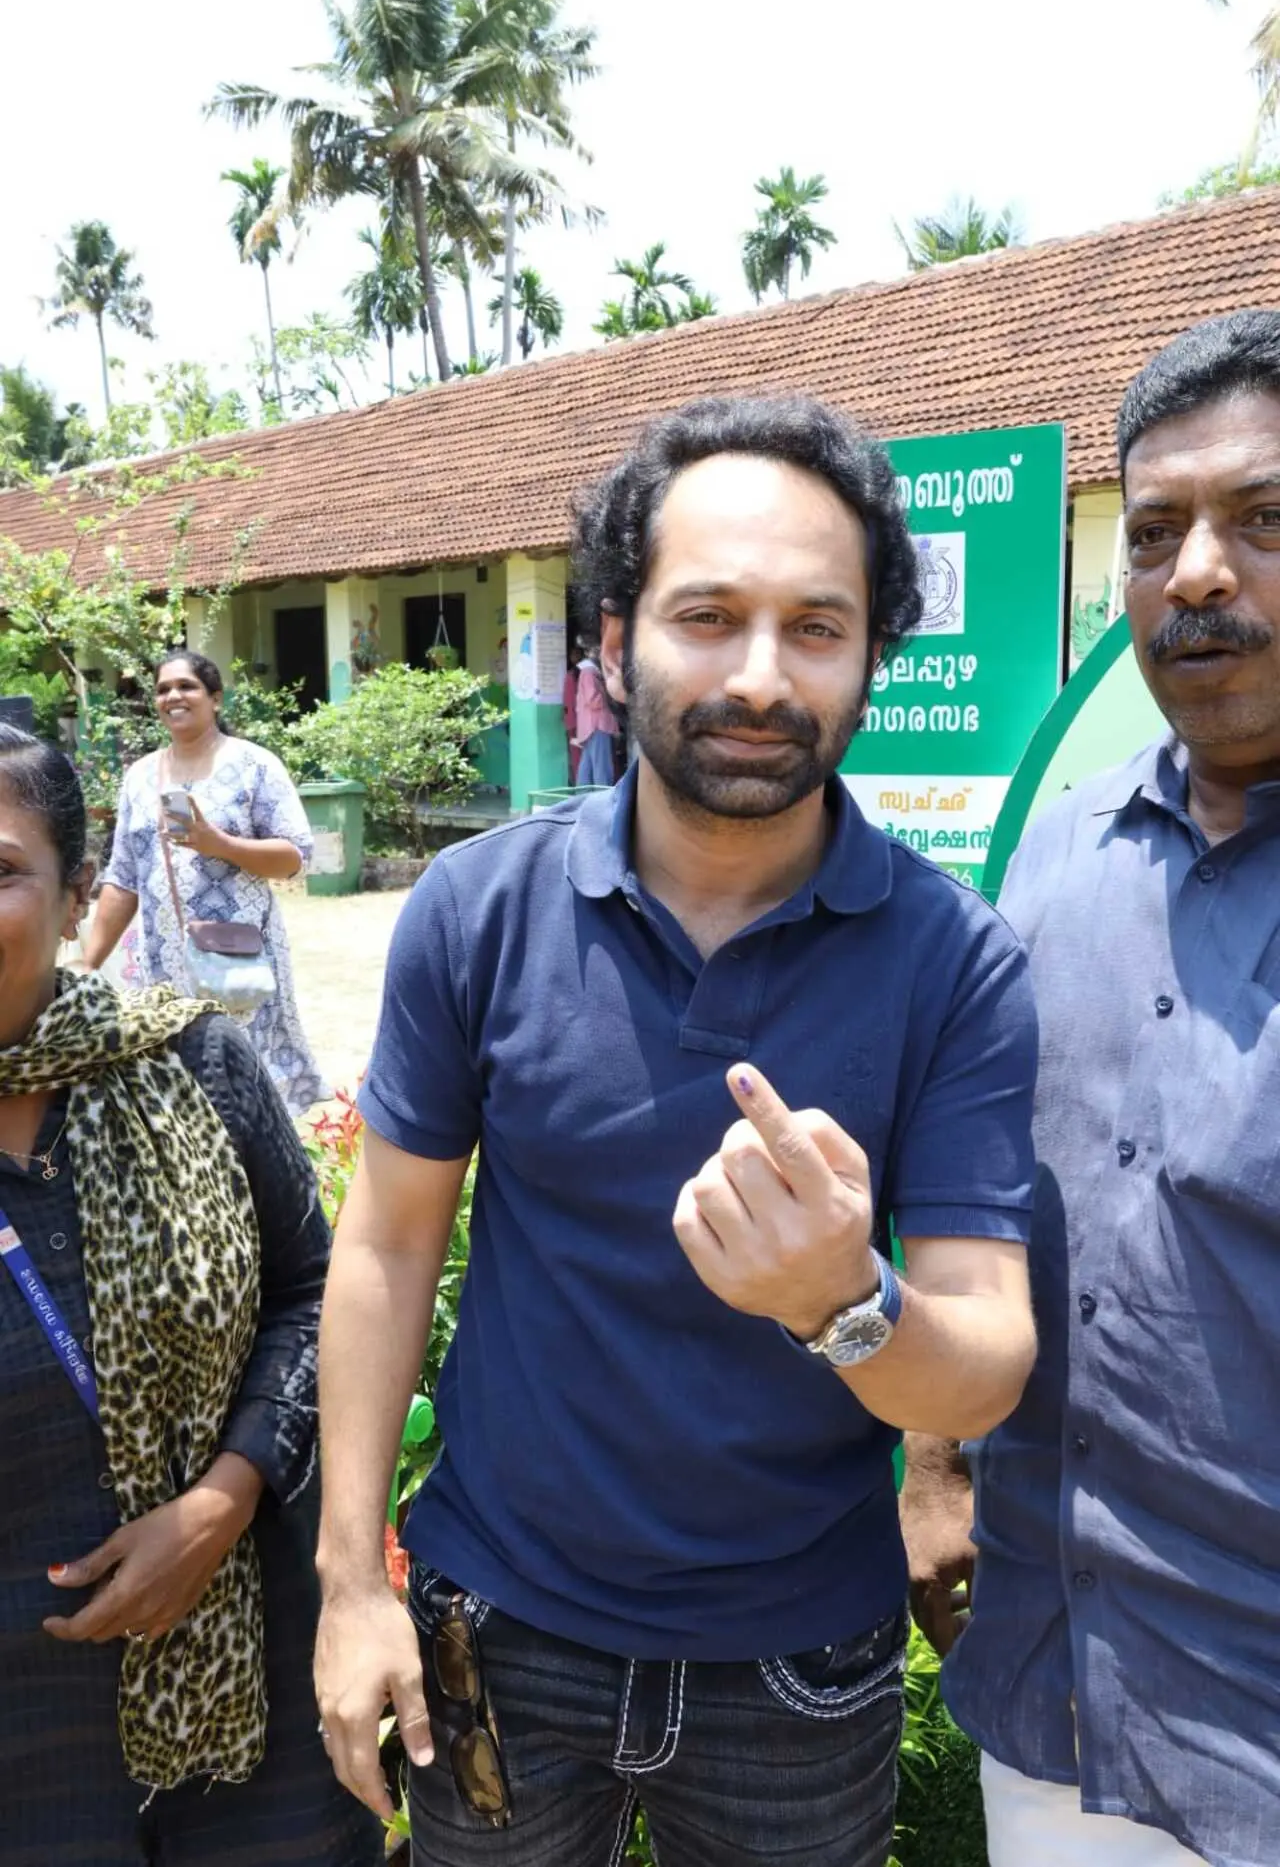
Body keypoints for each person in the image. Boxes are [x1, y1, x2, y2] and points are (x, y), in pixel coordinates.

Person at [312, 395, 1040, 1865]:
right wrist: (349, 1582)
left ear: (875, 658)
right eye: (708, 615)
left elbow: (988, 1354)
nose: (762, 675)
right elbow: (389, 1245)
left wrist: (843, 1302)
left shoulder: (954, 961)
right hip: (496, 1632)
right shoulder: (480, 911)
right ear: (612, 636)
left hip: (800, 1663)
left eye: (817, 627)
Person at [904, 308, 1280, 1867]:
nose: (1197, 573)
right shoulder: (1057, 849)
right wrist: (929, 1462)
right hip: (1055, 1681)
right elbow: (975, 1172)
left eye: (1263, 522)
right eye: (1154, 534)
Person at [0, 724, 382, 1865]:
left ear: (78, 899)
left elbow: (318, 1296)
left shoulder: (199, 1071)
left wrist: (222, 1499)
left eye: (0, 869)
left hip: (252, 1709)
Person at [81, 648, 327, 1117]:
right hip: (164, 971)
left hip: (237, 963)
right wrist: (89, 962)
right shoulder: (139, 777)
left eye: (186, 686)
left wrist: (221, 844)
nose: (173, 696)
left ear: (215, 698)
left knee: (247, 1090)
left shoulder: (254, 765)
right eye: (162, 689)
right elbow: (124, 879)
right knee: (181, 1094)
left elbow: (297, 857)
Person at [573, 641, 620, 785]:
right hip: (597, 725)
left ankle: (582, 798)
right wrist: (609, 691)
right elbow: (594, 701)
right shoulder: (589, 673)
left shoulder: (589, 672)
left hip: (591, 727)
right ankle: (604, 800)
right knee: (602, 767)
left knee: (587, 766)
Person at [562, 641, 583, 782]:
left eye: (576, 654)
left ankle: (579, 783)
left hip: (575, 722)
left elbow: (568, 702)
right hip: (582, 721)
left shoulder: (572, 675)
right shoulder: (588, 673)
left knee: (577, 757)